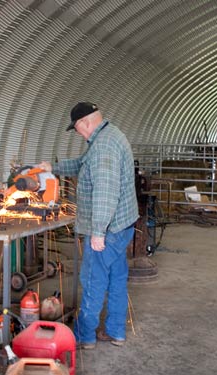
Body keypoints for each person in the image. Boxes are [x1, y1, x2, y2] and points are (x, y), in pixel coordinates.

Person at [37, 102, 138, 349]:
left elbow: (105, 193)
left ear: (85, 123)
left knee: (93, 281)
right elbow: (83, 164)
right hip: (123, 226)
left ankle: (85, 337)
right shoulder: (109, 135)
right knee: (116, 280)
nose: (78, 134)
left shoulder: (103, 147)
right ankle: (116, 332)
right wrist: (54, 168)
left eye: (77, 129)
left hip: (108, 230)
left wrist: (98, 233)